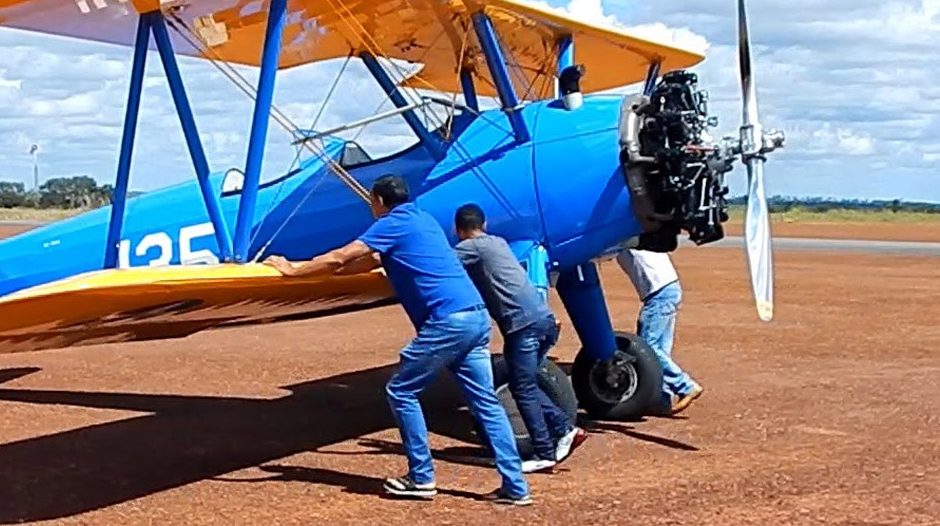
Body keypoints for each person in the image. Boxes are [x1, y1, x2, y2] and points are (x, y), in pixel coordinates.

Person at [264, 175, 532, 506]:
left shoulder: (391, 223)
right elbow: (369, 261)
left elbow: (342, 257)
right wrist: (316, 269)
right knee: (486, 403)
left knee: (401, 391)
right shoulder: (423, 220)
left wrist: (291, 270)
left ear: (378, 200)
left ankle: (421, 477)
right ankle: (516, 487)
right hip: (476, 317)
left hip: (447, 321)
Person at [453, 203, 587, 472]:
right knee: (521, 383)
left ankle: (544, 452)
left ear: (458, 231)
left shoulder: (469, 248)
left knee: (523, 388)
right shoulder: (499, 242)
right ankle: (563, 428)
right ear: (485, 225)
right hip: (545, 321)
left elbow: (439, 265)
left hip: (522, 327)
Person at [615, 248, 703, 414]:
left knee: (647, 349)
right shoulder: (644, 233)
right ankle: (661, 399)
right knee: (660, 350)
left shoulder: (626, 233)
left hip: (659, 294)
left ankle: (685, 385)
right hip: (668, 289)